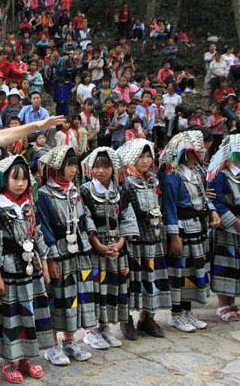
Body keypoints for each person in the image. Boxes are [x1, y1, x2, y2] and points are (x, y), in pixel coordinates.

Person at [0, 155, 57, 380]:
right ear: (5, 180)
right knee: (11, 315)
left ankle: (26, 359)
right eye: (15, 178)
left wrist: (44, 264)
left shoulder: (29, 205)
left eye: (24, 179)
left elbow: (38, 235)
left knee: (30, 313)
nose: (20, 183)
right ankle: (9, 362)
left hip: (31, 268)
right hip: (9, 271)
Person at [36, 146, 96, 363]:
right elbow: (43, 227)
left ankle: (70, 342)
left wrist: (90, 236)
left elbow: (84, 214)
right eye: (68, 165)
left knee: (74, 297)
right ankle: (52, 346)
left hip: (78, 251)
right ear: (55, 168)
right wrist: (51, 259)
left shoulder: (74, 190)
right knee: (57, 297)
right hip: (59, 252)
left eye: (74, 165)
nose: (73, 170)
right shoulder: (43, 195)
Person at [160, 131, 220, 332]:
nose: (199, 154)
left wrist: (212, 212)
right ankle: (176, 314)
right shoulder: (172, 177)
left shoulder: (195, 172)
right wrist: (174, 236)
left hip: (198, 228)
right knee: (180, 272)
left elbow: (203, 196)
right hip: (183, 229)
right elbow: (169, 208)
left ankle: (187, 312)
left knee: (194, 271)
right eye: (195, 151)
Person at [80, 148, 139, 349]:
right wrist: (97, 244)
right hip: (95, 247)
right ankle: (92, 331)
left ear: (113, 168)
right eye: (96, 166)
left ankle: (105, 328)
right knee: (96, 288)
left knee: (113, 287)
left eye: (105, 166)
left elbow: (127, 218)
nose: (100, 171)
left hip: (116, 246)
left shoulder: (120, 192)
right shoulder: (85, 191)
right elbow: (85, 218)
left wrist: (121, 242)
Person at [116, 139, 170, 339]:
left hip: (154, 238)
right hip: (135, 241)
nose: (145, 161)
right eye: (141, 156)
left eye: (148, 156)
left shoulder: (155, 180)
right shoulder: (126, 183)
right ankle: (126, 319)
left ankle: (147, 318)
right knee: (133, 281)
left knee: (152, 279)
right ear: (132, 158)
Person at [207, 134, 240, 321]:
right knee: (226, 265)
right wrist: (234, 222)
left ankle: (234, 301)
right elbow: (215, 201)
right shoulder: (219, 176)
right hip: (227, 227)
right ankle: (223, 303)